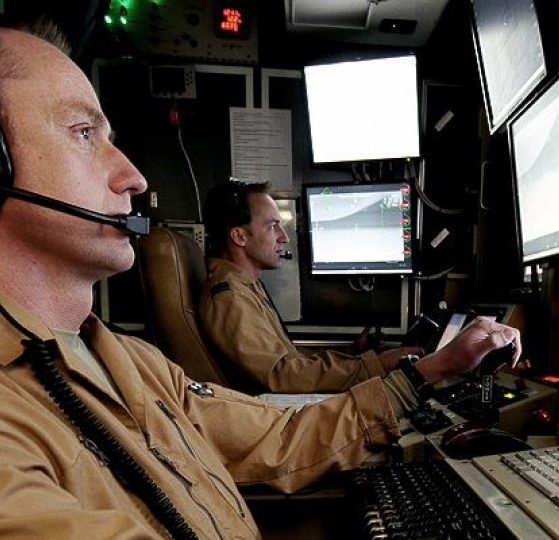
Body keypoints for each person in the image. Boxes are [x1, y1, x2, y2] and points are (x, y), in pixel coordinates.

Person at [0, 21, 522, 538]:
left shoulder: (133, 363)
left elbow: (278, 435)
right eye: (84, 133)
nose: (134, 178)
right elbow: (280, 380)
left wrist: (421, 373)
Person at [200, 180, 425, 394]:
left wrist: (350, 355)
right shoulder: (230, 297)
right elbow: (282, 375)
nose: (283, 237)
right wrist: (374, 366)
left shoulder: (245, 286)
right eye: (272, 227)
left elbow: (290, 360)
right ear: (239, 236)